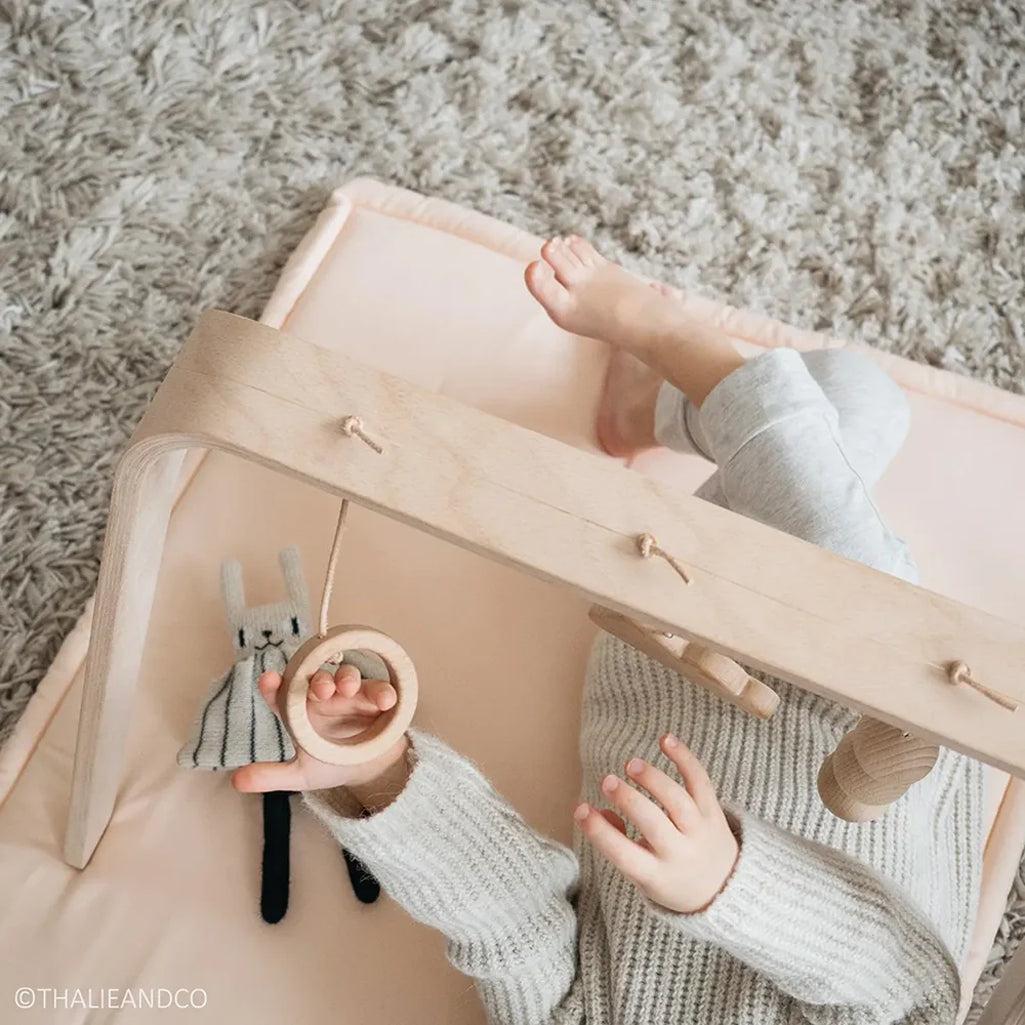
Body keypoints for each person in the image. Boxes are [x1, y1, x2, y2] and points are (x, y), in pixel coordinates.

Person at [234, 236, 983, 1025]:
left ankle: (655, 402)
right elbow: (912, 987)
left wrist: (381, 771)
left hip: (670, 647)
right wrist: (722, 883)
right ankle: (674, 358)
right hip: (877, 722)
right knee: (859, 412)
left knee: (850, 409)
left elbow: (508, 918)